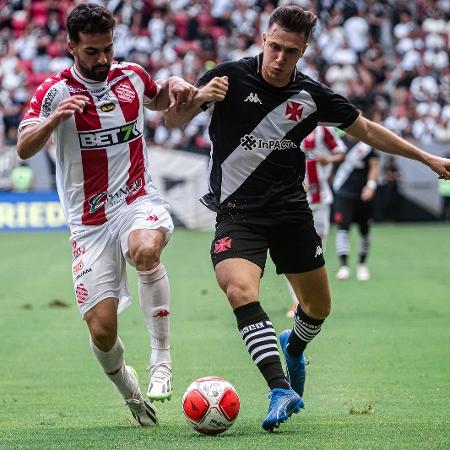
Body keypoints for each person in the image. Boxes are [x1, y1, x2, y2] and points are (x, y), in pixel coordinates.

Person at [165, 5, 450, 432]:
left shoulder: (312, 95)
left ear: (304, 51)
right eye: (274, 47)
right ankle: (280, 387)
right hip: (238, 214)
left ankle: (294, 346)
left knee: (318, 307)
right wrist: (201, 97)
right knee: (240, 290)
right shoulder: (228, 75)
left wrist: (426, 157)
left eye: (290, 51)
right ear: (264, 39)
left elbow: (368, 130)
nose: (279, 58)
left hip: (292, 213)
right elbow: (172, 117)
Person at [17, 3, 196, 427]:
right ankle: (130, 392)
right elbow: (24, 145)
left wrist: (179, 85)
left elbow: (160, 101)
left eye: (107, 49)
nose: (102, 60)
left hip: (137, 200)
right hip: (89, 224)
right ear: (71, 47)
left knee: (146, 250)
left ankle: (161, 360)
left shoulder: (129, 75)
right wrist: (54, 120)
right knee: (102, 331)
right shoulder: (54, 91)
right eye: (92, 51)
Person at [286, 126, 346, 317]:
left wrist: (328, 159)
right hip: (291, 200)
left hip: (319, 199)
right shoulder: (282, 121)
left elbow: (340, 152)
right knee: (290, 249)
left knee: (317, 250)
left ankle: (313, 299)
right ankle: (296, 302)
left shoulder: (322, 129)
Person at [333, 135, 379, 281]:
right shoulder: (338, 142)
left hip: (363, 194)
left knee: (364, 230)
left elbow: (374, 166)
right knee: (342, 229)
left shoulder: (367, 144)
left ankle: (362, 264)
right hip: (343, 193)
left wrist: (371, 186)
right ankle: (344, 266)